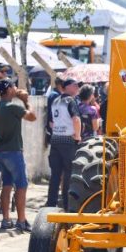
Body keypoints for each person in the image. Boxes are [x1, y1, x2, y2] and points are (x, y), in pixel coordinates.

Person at [0, 79, 37, 231]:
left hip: (1, 151)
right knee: (21, 186)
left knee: (7, 185)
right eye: (13, 86)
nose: (16, 88)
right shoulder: (12, 106)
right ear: (9, 89)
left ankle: (6, 220)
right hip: (13, 152)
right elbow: (32, 117)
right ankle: (21, 220)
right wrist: (26, 101)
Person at [46, 78, 81, 210]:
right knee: (68, 173)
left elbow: (50, 122)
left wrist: (58, 130)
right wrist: (77, 136)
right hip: (68, 140)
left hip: (55, 139)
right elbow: (76, 119)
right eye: (75, 85)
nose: (77, 88)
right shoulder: (70, 101)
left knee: (55, 174)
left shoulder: (55, 100)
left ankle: (51, 203)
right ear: (67, 87)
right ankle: (67, 204)